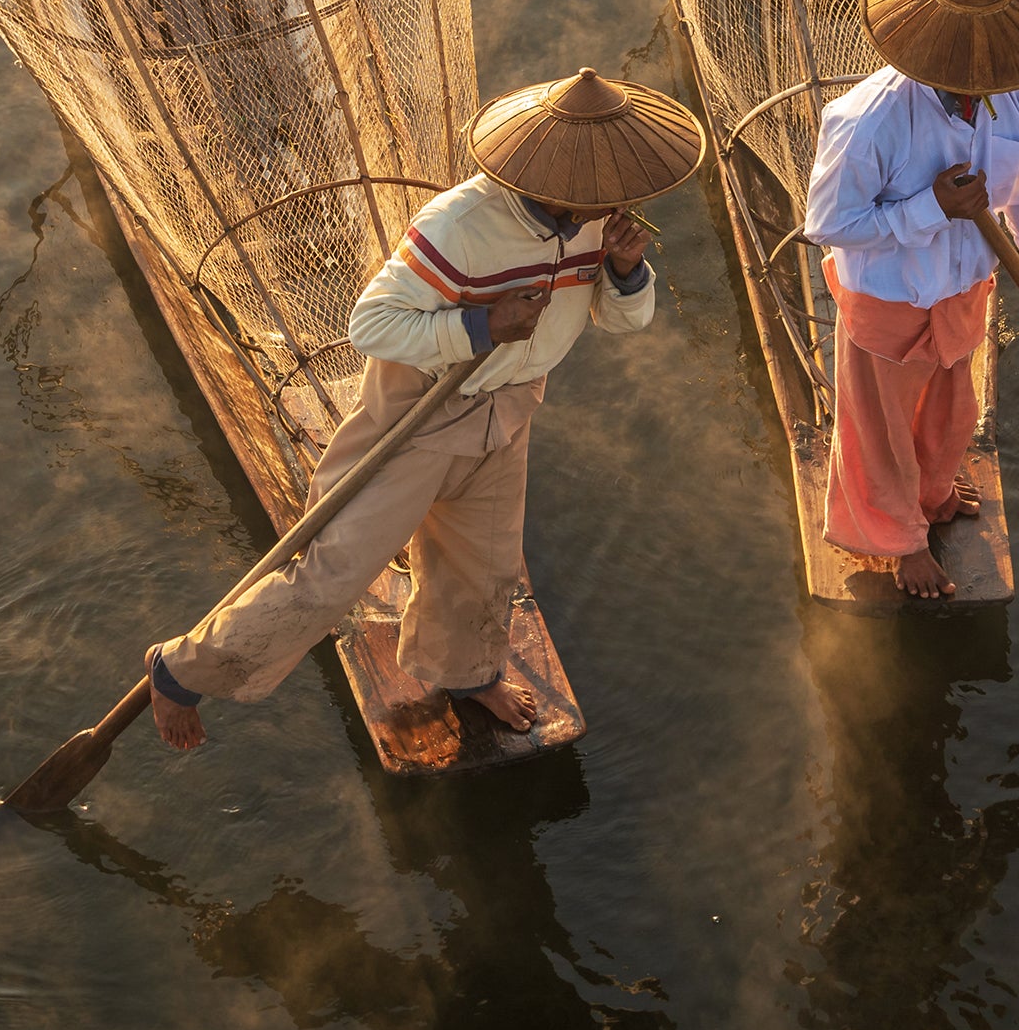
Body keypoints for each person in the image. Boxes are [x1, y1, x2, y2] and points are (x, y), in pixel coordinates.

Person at [142, 68, 704, 749]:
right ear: (554, 181)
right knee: (337, 569)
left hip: (510, 409)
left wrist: (622, 271)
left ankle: (466, 674)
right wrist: (480, 328)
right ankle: (181, 670)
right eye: (600, 187)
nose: (616, 197)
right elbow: (371, 326)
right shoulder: (459, 226)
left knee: (485, 565)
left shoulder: (599, 224)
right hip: (419, 415)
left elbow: (626, 322)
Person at [803, 0, 1019, 600]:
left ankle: (930, 494)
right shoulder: (866, 122)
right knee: (880, 429)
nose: (995, 80)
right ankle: (898, 542)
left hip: (965, 286)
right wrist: (929, 207)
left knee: (951, 411)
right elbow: (830, 225)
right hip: (890, 297)